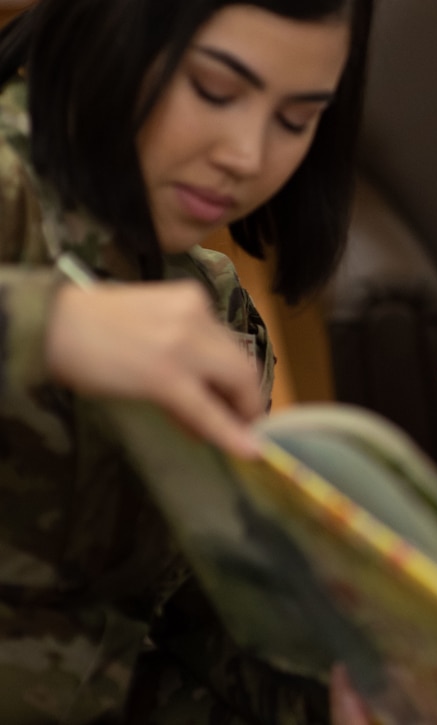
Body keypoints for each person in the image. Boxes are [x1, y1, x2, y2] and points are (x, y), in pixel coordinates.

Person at [0, 0, 371, 721]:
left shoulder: (211, 308)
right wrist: (53, 327)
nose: (248, 155)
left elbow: (168, 627)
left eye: (295, 120)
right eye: (215, 91)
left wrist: (329, 691)